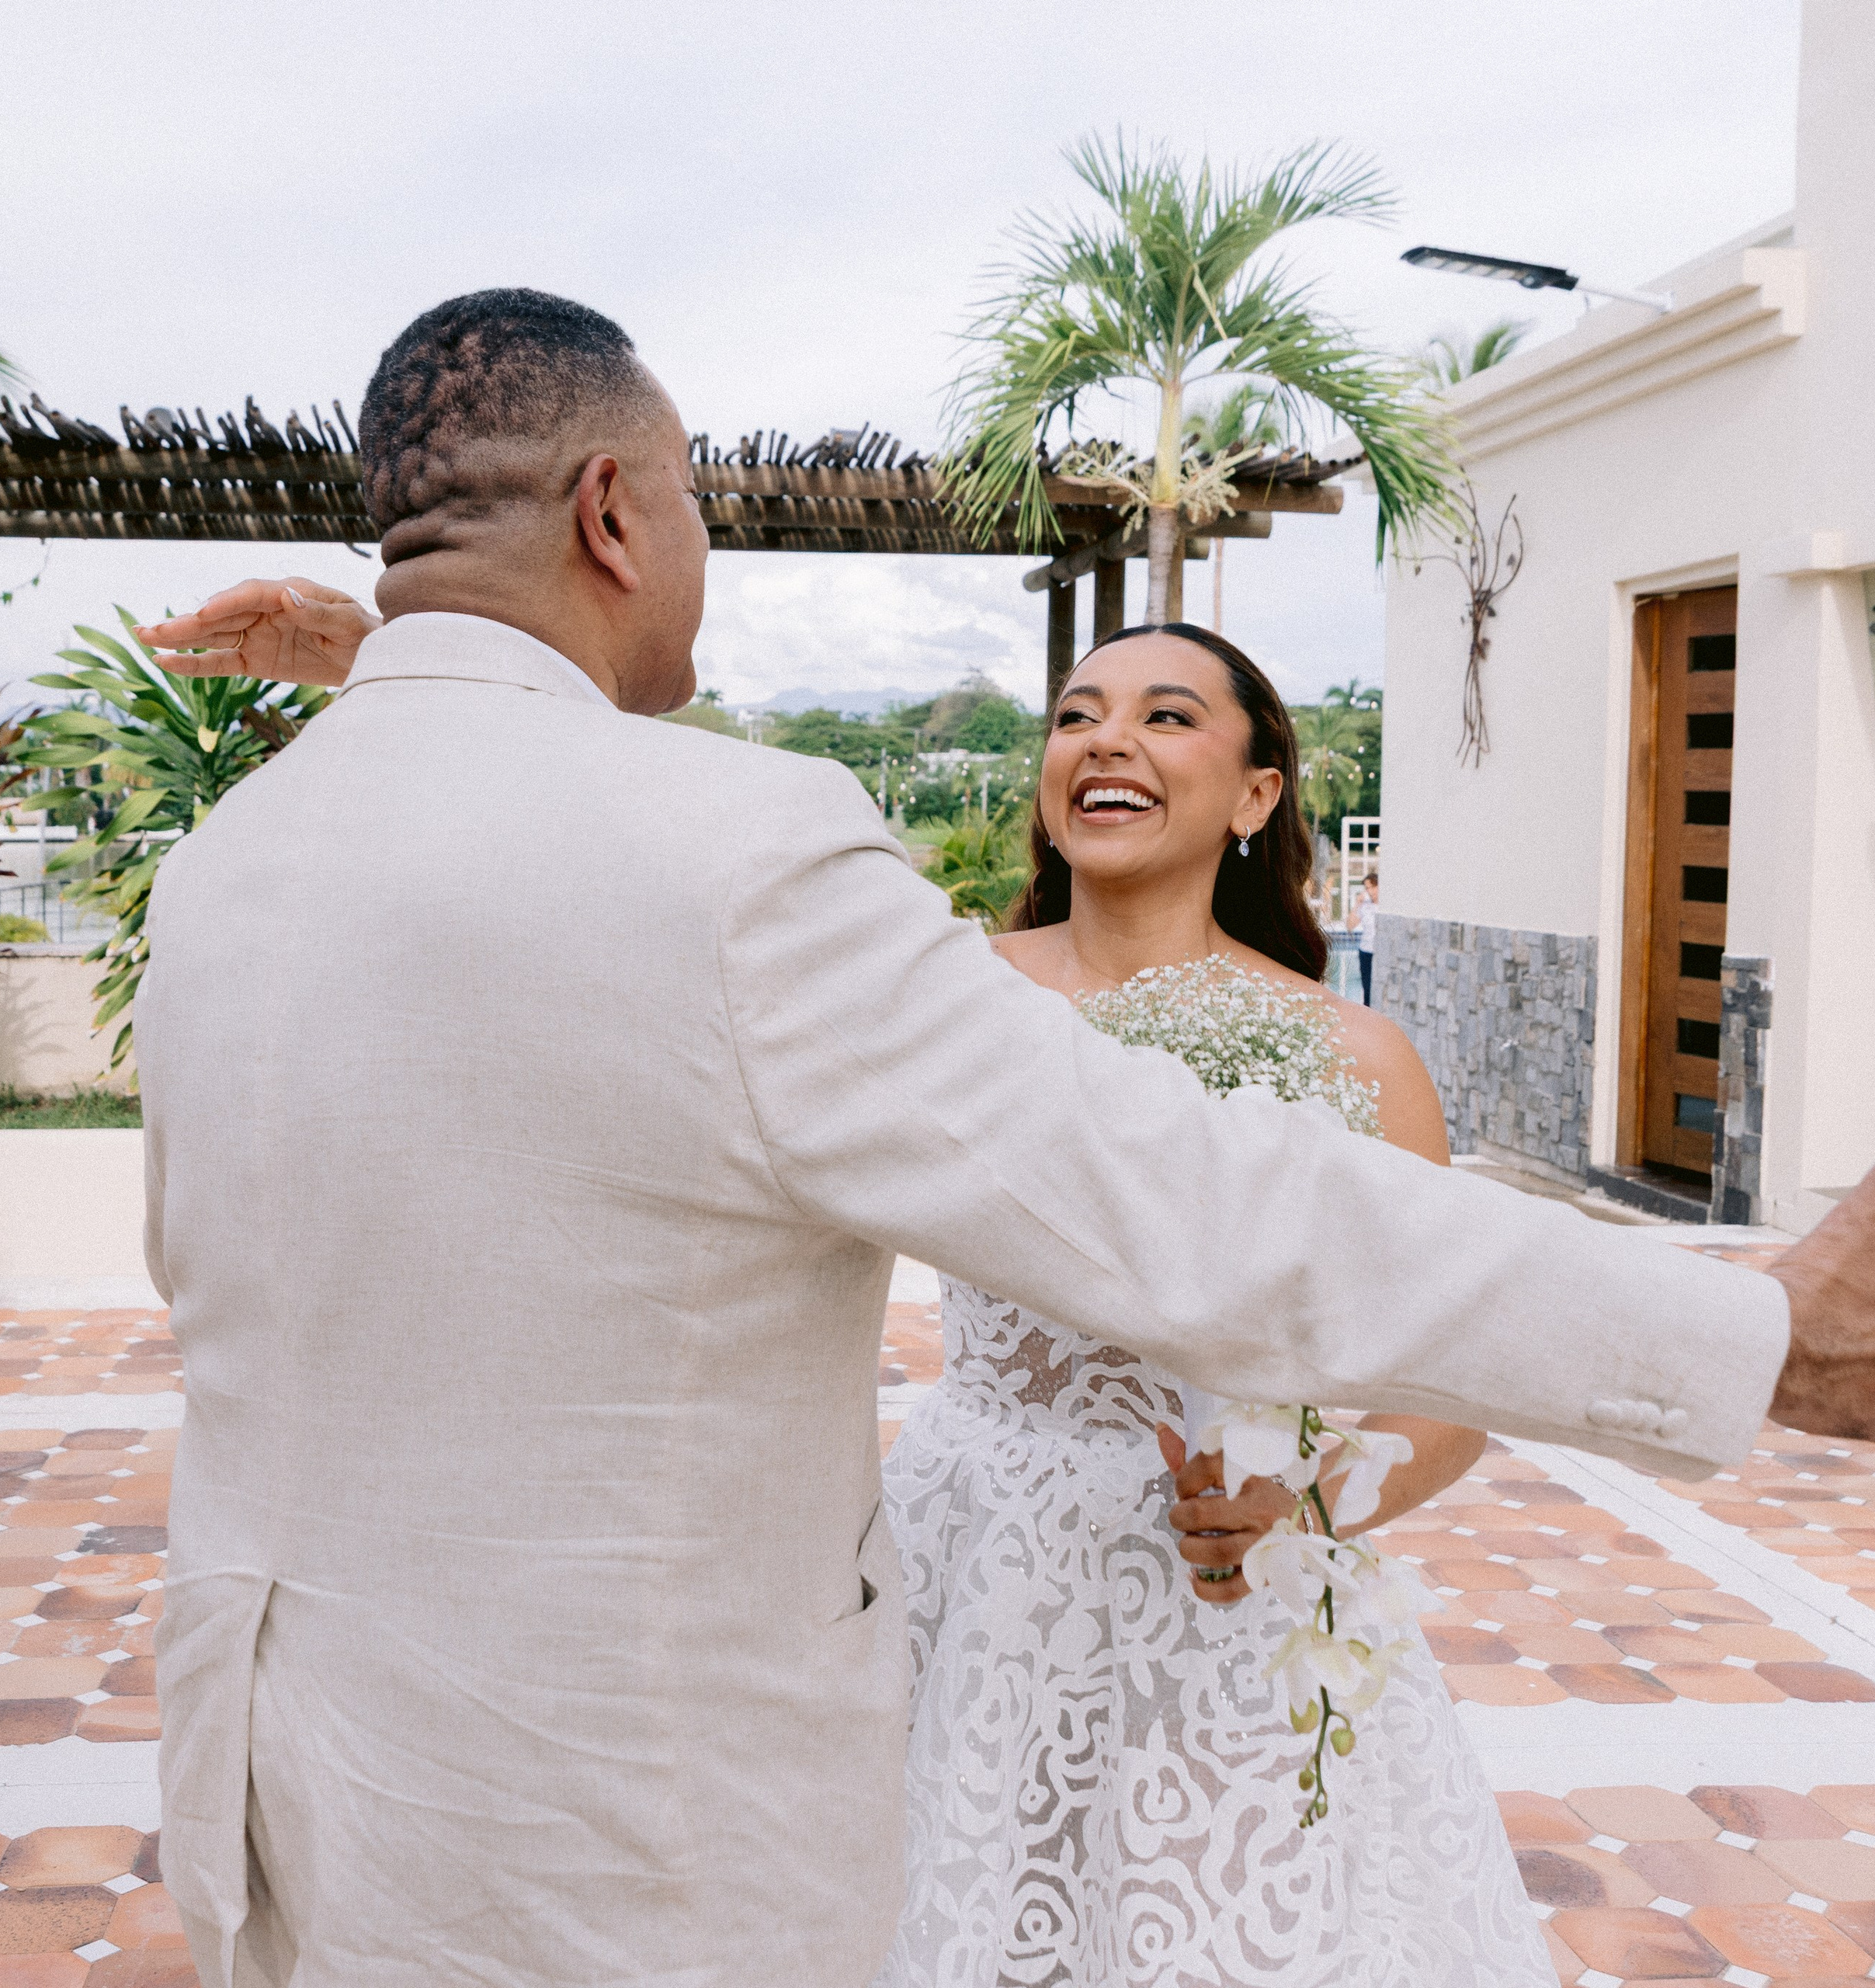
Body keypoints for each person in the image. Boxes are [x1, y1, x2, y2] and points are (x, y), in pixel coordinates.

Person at [130, 287, 1867, 1988]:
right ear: (610, 513)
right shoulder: (739, 856)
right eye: (695, 507)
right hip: (628, 1842)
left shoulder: (234, 861)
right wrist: (1756, 1335)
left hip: (292, 1797)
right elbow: (1200, 1204)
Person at [873, 624, 1550, 1986]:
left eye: (1166, 717)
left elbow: (1462, 1377)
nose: (1105, 739)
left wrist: (1310, 1500)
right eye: (1076, 715)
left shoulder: (1355, 1056)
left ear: (1256, 797)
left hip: (1229, 1599)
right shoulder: (942, 1003)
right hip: (971, 1566)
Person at [1356, 869, 1380, 1005]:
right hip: (1366, 950)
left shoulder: (1384, 907)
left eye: (1371, 887)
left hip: (1379, 951)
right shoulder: (1365, 906)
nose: (1369, 891)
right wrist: (1357, 904)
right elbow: (1350, 925)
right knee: (1367, 988)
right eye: (1366, 888)